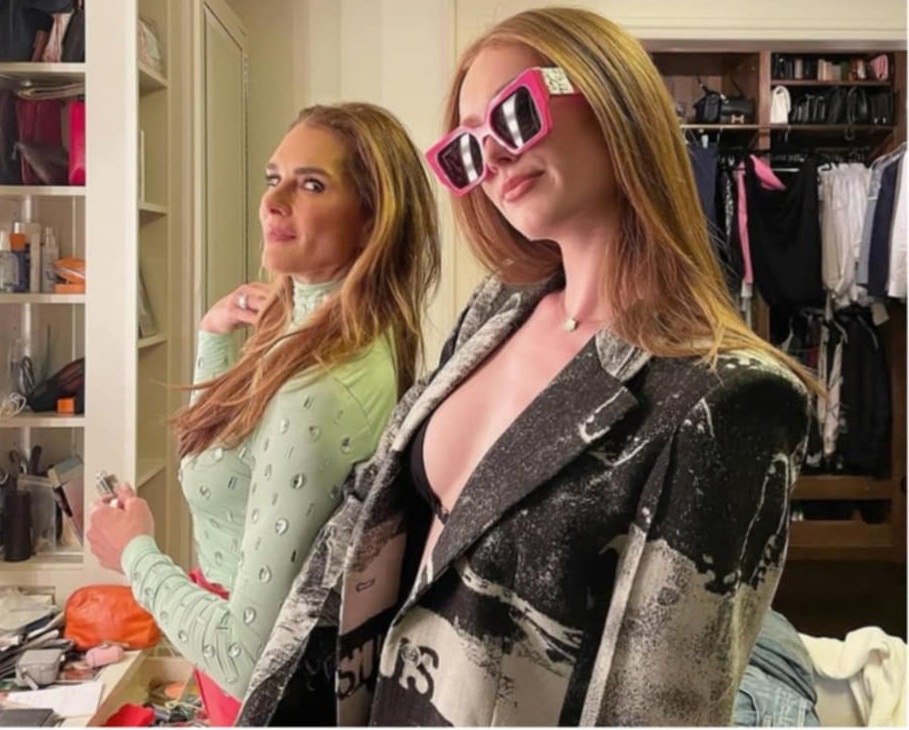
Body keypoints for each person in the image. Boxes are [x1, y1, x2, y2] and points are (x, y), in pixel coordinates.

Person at [238, 7, 817, 727]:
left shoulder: (727, 396)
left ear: (609, 94)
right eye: (466, 149)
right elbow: (370, 528)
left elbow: (655, 708)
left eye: (513, 115)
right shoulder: (498, 309)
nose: (492, 160)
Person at [85, 102, 440, 725]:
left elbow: (248, 658)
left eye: (312, 184)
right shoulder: (315, 328)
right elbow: (220, 450)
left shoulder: (320, 387)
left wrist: (135, 554)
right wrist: (214, 337)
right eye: (274, 178)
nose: (273, 202)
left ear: (371, 220)